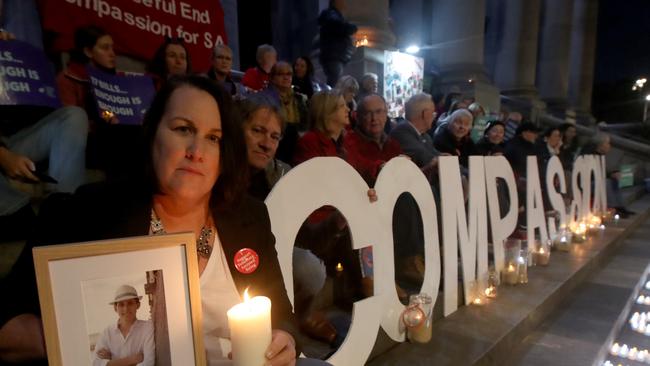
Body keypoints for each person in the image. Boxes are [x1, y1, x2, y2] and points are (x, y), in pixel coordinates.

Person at [0, 75, 299, 365]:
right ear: (152, 133)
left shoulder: (250, 216)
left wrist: (283, 339)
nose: (196, 152)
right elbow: (6, 328)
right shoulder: (88, 212)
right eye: (183, 129)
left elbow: (282, 313)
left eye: (213, 138)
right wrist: (72, 339)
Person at [236, 99, 336, 346]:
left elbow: (307, 237)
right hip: (229, 258)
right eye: (257, 130)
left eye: (275, 136)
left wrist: (339, 220)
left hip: (269, 256)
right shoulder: (215, 169)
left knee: (310, 268)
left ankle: (296, 319)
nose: (266, 143)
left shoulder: (281, 175)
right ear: (236, 128)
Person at [0, 29, 88, 241]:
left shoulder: (14, 50)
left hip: (17, 137)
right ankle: (19, 217)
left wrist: (13, 56)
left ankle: (63, 210)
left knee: (74, 115)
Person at [253, 61, 309, 164]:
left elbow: (305, 126)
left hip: (297, 145)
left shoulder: (300, 99)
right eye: (280, 74)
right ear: (272, 77)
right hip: (276, 145)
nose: (286, 77)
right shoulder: (263, 99)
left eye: (289, 74)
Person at [93, 285, 154, 366]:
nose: (126, 309)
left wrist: (112, 361)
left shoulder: (147, 328)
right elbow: (95, 364)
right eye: (121, 304)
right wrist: (131, 360)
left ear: (138, 305)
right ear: (115, 308)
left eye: (130, 303)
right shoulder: (107, 333)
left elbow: (148, 363)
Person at [318, 0, 358, 87]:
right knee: (334, 83)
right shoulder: (331, 14)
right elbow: (337, 25)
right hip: (333, 55)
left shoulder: (334, 14)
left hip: (336, 56)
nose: (345, 3)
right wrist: (351, 27)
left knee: (335, 82)